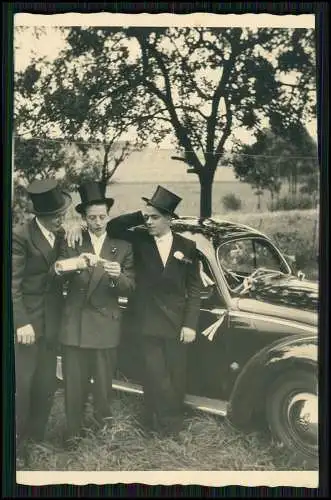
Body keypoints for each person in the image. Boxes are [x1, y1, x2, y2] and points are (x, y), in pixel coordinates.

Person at [67, 185, 201, 438]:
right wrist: (141, 214)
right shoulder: (139, 240)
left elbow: (195, 290)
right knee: (154, 375)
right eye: (147, 218)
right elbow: (112, 227)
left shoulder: (188, 246)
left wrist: (190, 324)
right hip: (146, 321)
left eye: (155, 217)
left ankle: (169, 423)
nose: (149, 222)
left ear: (169, 219)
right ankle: (161, 428)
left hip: (176, 323)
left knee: (176, 375)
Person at [56, 181, 135, 446]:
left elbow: (131, 287)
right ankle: (73, 432)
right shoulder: (72, 240)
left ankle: (103, 431)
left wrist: (117, 277)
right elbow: (57, 276)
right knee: (74, 385)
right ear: (83, 218)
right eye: (92, 217)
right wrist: (74, 264)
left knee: (103, 385)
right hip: (75, 324)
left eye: (102, 216)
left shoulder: (123, 247)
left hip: (105, 325)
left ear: (109, 215)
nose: (98, 222)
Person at [12, 179, 72, 464]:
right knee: (21, 386)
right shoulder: (20, 236)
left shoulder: (60, 236)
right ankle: (16, 446)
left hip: (52, 321)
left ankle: (36, 438)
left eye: (63, 214)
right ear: (41, 216)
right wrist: (21, 322)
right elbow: (11, 285)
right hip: (27, 324)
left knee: (46, 382)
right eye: (56, 216)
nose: (61, 219)